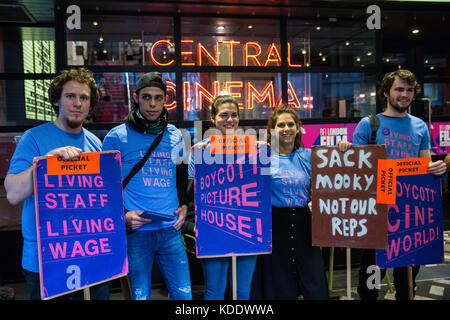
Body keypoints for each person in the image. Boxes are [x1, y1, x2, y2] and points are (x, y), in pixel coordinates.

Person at [5, 68, 109, 300]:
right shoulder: (34, 138)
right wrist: (46, 164)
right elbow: (12, 194)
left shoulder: (95, 143)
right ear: (56, 100)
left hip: (91, 253)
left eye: (84, 98)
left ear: (90, 105)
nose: (77, 103)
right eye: (70, 96)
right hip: (47, 258)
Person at [348, 69, 447, 300]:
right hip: (377, 213)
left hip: (410, 215)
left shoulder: (421, 126)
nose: (405, 94)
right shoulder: (368, 125)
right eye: (399, 89)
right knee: (370, 282)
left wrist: (437, 168)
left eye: (409, 90)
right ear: (386, 92)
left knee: (407, 283)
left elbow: (425, 166)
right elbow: (356, 170)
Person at [102, 71, 191, 300]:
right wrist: (123, 216)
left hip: (171, 230)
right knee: (140, 297)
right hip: (136, 233)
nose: (152, 104)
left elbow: (181, 174)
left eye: (158, 98)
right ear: (136, 98)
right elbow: (105, 186)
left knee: (184, 297)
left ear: (165, 99)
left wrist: (184, 204)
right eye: (146, 97)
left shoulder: (175, 135)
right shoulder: (116, 137)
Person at [251, 104, 329, 300]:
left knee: (314, 283)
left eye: (290, 124)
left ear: (298, 127)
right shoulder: (263, 157)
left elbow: (335, 176)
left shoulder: (309, 156)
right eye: (281, 125)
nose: (286, 129)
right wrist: (205, 147)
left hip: (305, 222)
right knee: (280, 285)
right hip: (274, 224)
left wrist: (346, 150)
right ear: (272, 130)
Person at [187, 95, 258, 300]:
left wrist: (262, 148)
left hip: (246, 226)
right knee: (214, 292)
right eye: (224, 115)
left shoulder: (252, 147)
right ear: (213, 118)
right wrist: (200, 164)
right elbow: (191, 193)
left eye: (234, 115)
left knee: (242, 292)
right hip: (214, 226)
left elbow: (260, 186)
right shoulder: (199, 149)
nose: (230, 120)